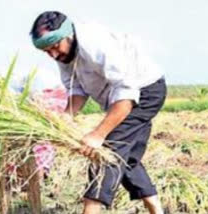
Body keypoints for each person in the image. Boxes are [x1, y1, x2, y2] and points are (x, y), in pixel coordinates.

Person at [30, 11, 166, 214]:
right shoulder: (64, 55)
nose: (54, 55)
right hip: (119, 98)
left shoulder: (96, 44)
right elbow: (76, 89)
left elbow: (126, 94)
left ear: (68, 35)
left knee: (106, 153)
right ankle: (157, 209)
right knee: (125, 160)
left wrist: (98, 134)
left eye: (55, 47)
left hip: (144, 92)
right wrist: (66, 115)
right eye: (47, 52)